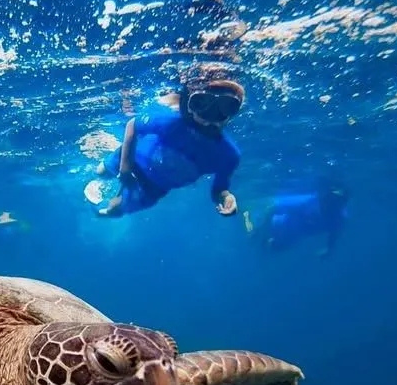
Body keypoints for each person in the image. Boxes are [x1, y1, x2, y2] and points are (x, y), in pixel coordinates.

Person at [88, 74, 245, 219]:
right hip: (131, 159)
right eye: (202, 104)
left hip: (154, 187)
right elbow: (132, 124)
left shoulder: (229, 155)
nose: (210, 118)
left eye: (226, 106)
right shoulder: (170, 122)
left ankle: (99, 214)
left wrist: (226, 197)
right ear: (189, 104)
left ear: (233, 112)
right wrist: (125, 168)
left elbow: (219, 189)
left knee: (115, 210)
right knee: (100, 172)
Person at [243, 178, 350, 257]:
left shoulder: (339, 217)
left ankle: (260, 242)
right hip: (278, 223)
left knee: (275, 248)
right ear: (325, 197)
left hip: (295, 233)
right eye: (332, 199)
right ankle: (246, 215)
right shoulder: (307, 202)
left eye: (339, 202)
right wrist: (258, 228)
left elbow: (334, 232)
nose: (333, 204)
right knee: (254, 235)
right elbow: (272, 208)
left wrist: (329, 249)